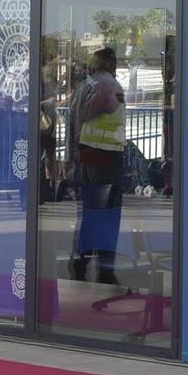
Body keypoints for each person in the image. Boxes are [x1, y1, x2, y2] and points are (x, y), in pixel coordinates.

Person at [69, 46, 127, 285]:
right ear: (110, 64)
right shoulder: (107, 85)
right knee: (107, 216)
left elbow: (75, 118)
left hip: (89, 155)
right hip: (104, 158)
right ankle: (103, 270)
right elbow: (87, 113)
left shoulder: (86, 85)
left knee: (91, 214)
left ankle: (81, 264)